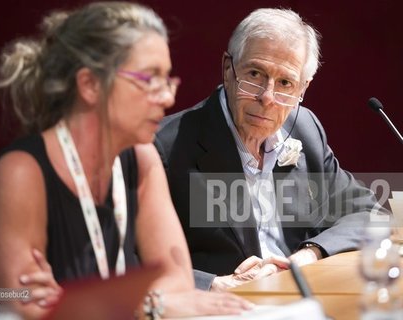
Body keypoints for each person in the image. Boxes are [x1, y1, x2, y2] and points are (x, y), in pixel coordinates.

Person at [0, 2, 253, 319]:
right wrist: (150, 302)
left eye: (166, 79)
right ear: (89, 85)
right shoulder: (20, 174)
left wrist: (84, 300)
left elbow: (177, 284)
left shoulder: (142, 160)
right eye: (149, 79)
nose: (168, 97)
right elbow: (32, 311)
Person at [155, 8, 385, 291]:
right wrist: (212, 285)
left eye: (285, 83)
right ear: (228, 70)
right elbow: (127, 261)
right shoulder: (164, 147)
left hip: (299, 298)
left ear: (303, 88)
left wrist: (309, 253)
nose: (267, 97)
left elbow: (366, 211)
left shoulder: (305, 128)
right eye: (255, 74)